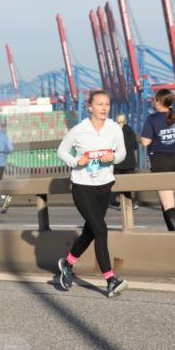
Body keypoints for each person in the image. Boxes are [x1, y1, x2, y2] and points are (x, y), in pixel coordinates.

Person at [55, 90, 128, 298]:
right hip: (82, 186)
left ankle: (67, 264)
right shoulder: (79, 130)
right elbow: (61, 151)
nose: (104, 108)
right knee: (101, 229)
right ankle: (110, 280)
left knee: (90, 231)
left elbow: (122, 153)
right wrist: (75, 161)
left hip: (105, 185)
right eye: (100, 104)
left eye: (107, 104)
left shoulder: (114, 128)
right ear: (90, 107)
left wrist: (112, 157)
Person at [139, 88, 175, 231]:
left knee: (168, 203)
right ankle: (172, 233)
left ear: (158, 101)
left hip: (161, 161)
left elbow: (145, 142)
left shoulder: (152, 119)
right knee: (167, 199)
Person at [110, 113, 139, 210]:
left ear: (124, 122)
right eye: (118, 122)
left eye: (121, 122)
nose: (120, 124)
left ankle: (114, 202)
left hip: (118, 163)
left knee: (116, 184)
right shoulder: (130, 131)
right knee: (128, 185)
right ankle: (129, 204)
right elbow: (135, 146)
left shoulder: (113, 132)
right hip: (129, 162)